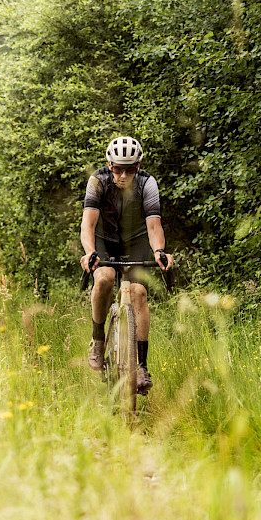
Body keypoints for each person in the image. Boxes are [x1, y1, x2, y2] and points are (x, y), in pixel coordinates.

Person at [79, 136, 173, 394]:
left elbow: (154, 225)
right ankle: (98, 340)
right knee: (104, 279)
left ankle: (141, 365)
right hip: (105, 241)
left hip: (136, 242)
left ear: (138, 166)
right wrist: (89, 252)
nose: (122, 174)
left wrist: (159, 251)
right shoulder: (97, 181)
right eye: (117, 168)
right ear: (109, 164)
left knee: (139, 293)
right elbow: (88, 224)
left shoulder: (147, 183)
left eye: (129, 169)